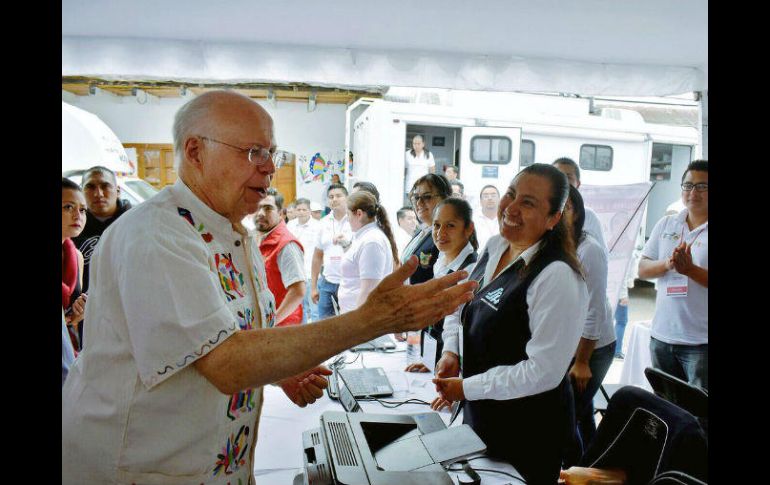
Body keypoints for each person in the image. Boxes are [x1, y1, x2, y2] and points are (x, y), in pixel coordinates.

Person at [61, 90, 477, 484]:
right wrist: (372, 320)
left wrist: (281, 371)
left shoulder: (232, 233)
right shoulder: (157, 233)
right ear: (194, 151)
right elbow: (226, 362)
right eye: (253, 152)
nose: (269, 167)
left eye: (271, 154)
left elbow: (229, 335)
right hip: (136, 467)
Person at [433, 163, 588, 485]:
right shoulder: (495, 247)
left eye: (528, 203)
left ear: (553, 219)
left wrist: (467, 388)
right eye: (511, 194)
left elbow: (542, 372)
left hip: (528, 432)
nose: (512, 208)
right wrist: (452, 353)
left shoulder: (557, 276)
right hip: (483, 420)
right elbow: (461, 305)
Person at [639, 160, 708, 390]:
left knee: (699, 418)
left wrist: (690, 270)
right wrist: (669, 264)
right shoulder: (667, 223)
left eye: (701, 186)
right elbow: (642, 269)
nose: (693, 192)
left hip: (700, 343)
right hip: (662, 337)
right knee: (665, 412)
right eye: (688, 186)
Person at [563, 185, 617, 464]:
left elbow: (593, 311)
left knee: (565, 418)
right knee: (580, 414)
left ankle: (574, 471)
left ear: (578, 211)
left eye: (566, 207)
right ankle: (589, 466)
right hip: (569, 345)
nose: (559, 213)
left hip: (593, 349)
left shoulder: (589, 250)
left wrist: (582, 361)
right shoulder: (553, 246)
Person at [405, 198, 478, 373]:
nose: (440, 232)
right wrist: (430, 360)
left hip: (457, 362)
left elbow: (454, 321)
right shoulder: (441, 260)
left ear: (468, 229)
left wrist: (445, 358)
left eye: (450, 226)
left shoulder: (470, 270)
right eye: (437, 225)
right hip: (439, 355)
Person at [398, 174, 452, 341]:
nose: (419, 203)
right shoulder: (423, 231)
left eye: (427, 197)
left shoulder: (446, 235)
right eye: (416, 197)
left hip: (435, 324)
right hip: (416, 319)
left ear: (445, 198)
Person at [72, 166, 133, 294]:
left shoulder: (137, 223)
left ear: (118, 191)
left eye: (105, 186)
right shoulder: (71, 227)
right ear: (81, 192)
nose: (98, 193)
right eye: (90, 187)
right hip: (84, 309)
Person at [337, 191, 399, 314]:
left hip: (361, 320)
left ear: (359, 214)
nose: (347, 219)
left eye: (348, 215)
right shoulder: (363, 237)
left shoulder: (372, 241)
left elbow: (368, 291)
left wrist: (357, 322)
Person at [256, 188, 306, 326]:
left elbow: (298, 291)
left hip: (283, 326)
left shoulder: (286, 245)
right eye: (258, 208)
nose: (260, 213)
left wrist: (272, 322)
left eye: (267, 208)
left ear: (281, 213)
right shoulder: (259, 239)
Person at [311, 183, 353, 319]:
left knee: (348, 325)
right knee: (324, 326)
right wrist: (313, 287)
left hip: (349, 283)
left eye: (338, 196)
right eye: (331, 197)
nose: (334, 199)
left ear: (347, 198)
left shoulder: (355, 220)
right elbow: (317, 257)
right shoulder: (322, 223)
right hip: (327, 283)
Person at [552, 158, 607, 249]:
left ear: (578, 184)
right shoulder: (541, 212)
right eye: (557, 176)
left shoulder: (589, 216)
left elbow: (601, 254)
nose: (562, 181)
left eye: (568, 177)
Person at [62, 177, 88, 352]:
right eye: (68, 207)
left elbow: (72, 321)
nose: (78, 215)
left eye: (83, 210)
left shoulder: (77, 257)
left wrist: (79, 313)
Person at [287, 198, 321, 323]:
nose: (301, 212)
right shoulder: (290, 225)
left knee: (315, 309)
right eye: (299, 209)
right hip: (296, 273)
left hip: (311, 272)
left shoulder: (318, 226)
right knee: (300, 309)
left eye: (304, 209)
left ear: (309, 211)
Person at [404, 134, 436, 199]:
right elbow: (403, 169)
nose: (416, 146)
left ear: (423, 144)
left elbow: (432, 171)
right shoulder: (407, 154)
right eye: (414, 143)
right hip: (410, 186)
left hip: (424, 187)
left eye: (418, 143)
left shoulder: (429, 154)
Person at [473, 185, 500, 251]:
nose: (490, 198)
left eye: (493, 195)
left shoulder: (506, 219)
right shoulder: (472, 220)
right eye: (486, 196)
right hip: (478, 259)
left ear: (499, 199)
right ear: (480, 201)